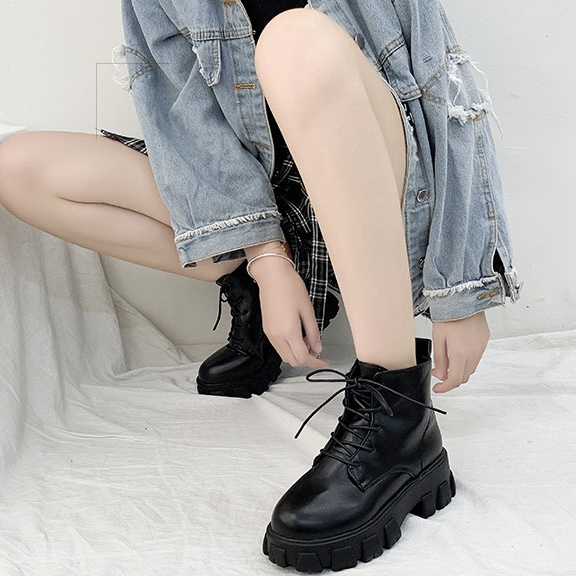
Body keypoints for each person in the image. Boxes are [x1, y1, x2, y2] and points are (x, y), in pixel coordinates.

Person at [0, 0, 521, 572]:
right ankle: (259, 296)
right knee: (18, 167)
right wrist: (265, 258)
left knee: (293, 41)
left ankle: (397, 413)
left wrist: (463, 290)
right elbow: (187, 123)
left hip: (378, 192)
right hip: (261, 206)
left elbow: (444, 87)